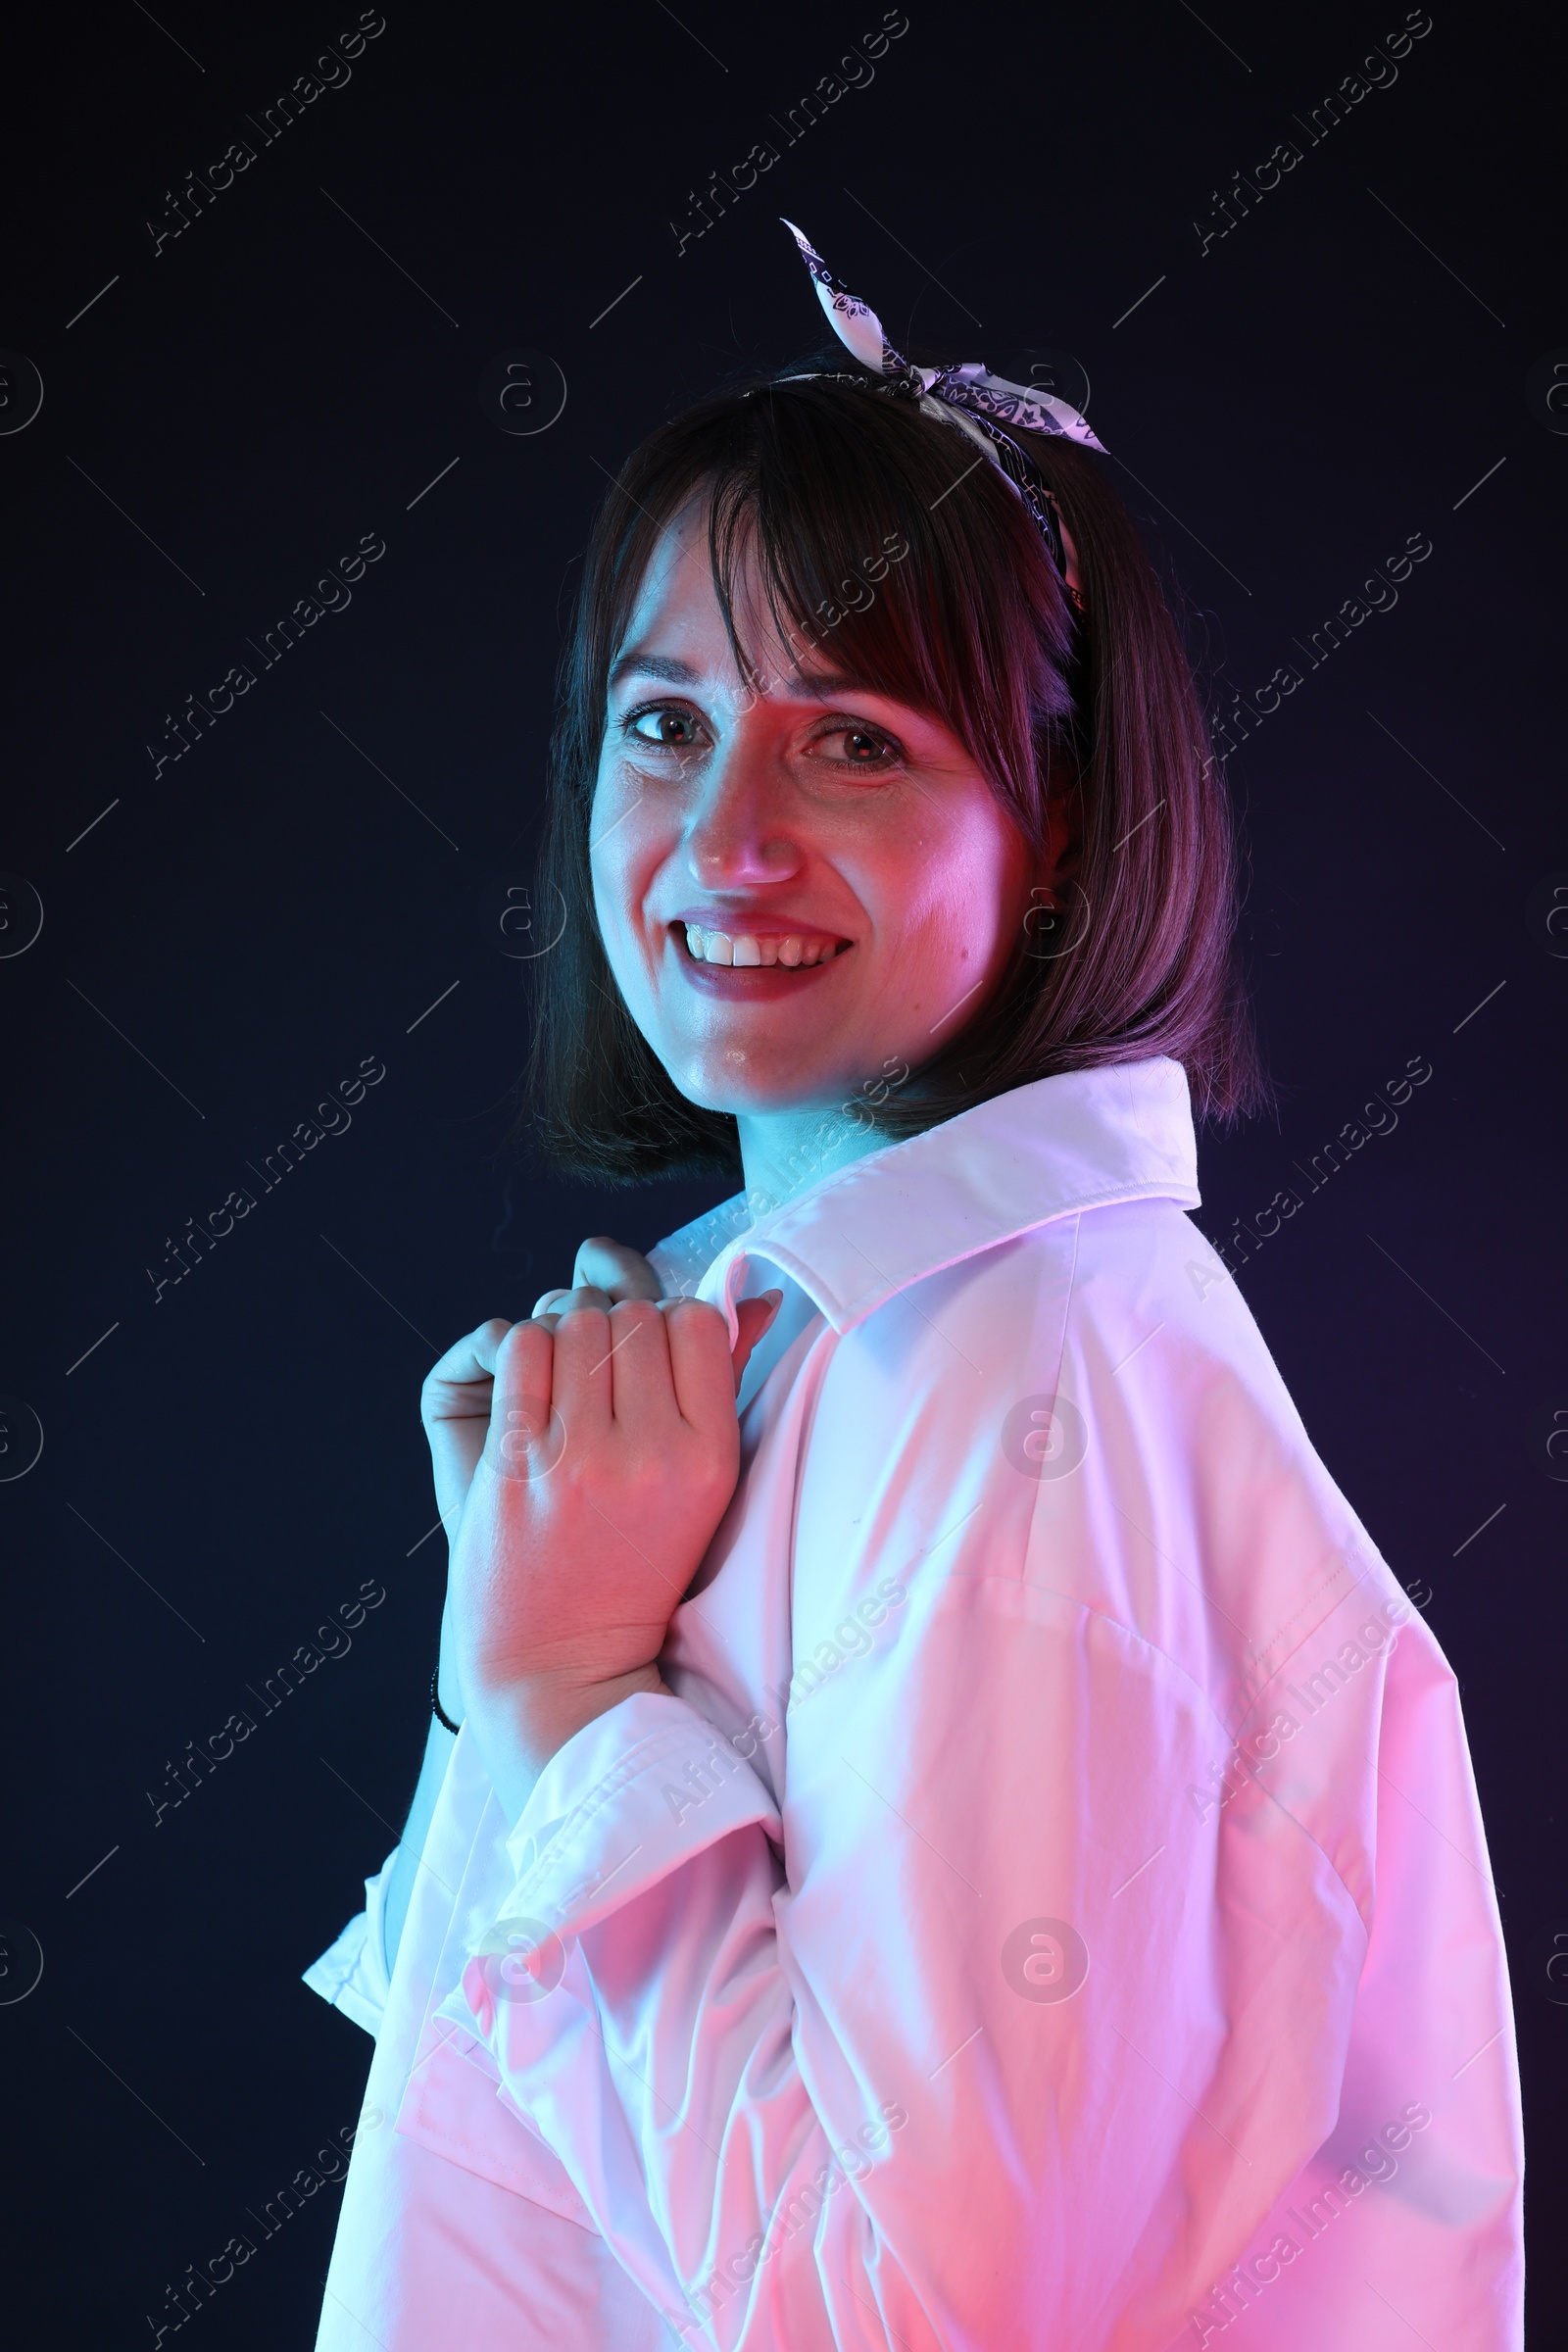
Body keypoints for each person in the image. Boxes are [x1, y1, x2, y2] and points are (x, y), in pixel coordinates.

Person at [304, 225, 1523, 2349]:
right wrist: (516, 1678)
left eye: (851, 742)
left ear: (1052, 824)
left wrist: (574, 1698)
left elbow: (909, 2320)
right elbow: (498, 2151)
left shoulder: (1019, 1387)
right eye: (664, 721)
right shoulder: (784, 1344)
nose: (722, 842)